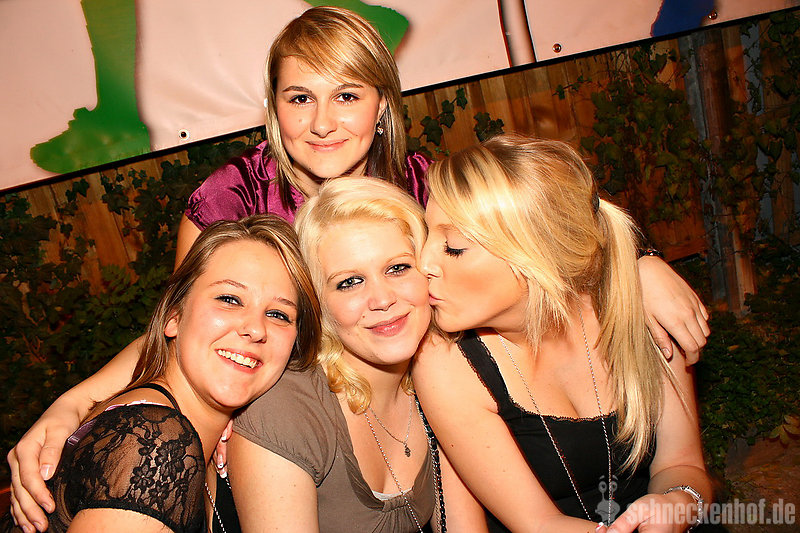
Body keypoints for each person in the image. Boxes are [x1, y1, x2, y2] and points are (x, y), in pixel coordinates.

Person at [7, 6, 709, 531]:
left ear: (382, 107)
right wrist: (76, 400)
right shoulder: (231, 198)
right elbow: (189, 324)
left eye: (346, 95)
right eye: (299, 98)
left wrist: (637, 258)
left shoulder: (422, 182)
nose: (322, 122)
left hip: (401, 408)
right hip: (276, 419)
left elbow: (529, 218)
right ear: (273, 111)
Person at [413, 135, 712, 532]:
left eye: (452, 247)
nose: (423, 263)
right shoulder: (445, 361)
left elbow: (683, 464)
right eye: (427, 235)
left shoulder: (643, 312)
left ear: (537, 253)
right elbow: (537, 523)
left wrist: (676, 505)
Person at [2, 214, 322, 533]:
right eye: (229, 299)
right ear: (174, 316)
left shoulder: (177, 428)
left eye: (278, 314)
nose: (255, 328)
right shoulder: (153, 445)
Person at [222, 177, 445, 532]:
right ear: (319, 305)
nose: (382, 299)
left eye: (398, 268)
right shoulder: (288, 412)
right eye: (349, 282)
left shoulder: (444, 375)